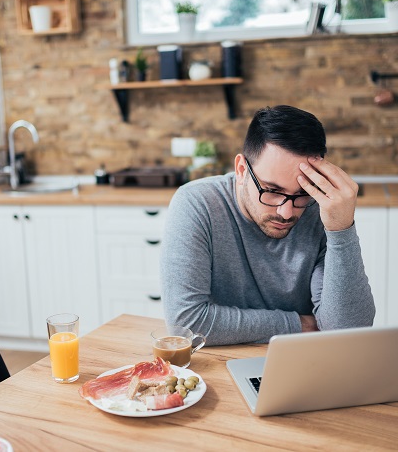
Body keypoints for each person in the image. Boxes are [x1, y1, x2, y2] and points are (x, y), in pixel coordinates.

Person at [160, 105, 375, 346]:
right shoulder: (197, 203)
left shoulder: (322, 211)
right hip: (220, 361)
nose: (286, 212)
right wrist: (300, 325)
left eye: (302, 194)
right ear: (241, 170)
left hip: (302, 363)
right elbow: (187, 324)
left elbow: (347, 333)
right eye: (272, 191)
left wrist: (341, 229)